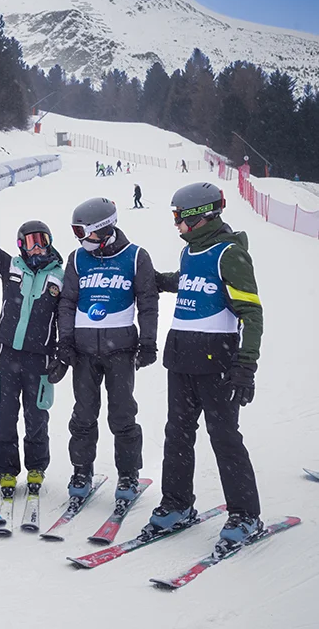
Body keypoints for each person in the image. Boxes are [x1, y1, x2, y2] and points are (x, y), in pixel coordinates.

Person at [146, 182, 264, 548]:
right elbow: (192, 282)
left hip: (217, 364)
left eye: (179, 217)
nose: (176, 223)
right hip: (181, 359)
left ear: (200, 217)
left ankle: (245, 515)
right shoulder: (190, 251)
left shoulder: (230, 254)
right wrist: (162, 281)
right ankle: (177, 504)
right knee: (177, 435)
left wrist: (246, 366)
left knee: (225, 438)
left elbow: (251, 314)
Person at [49, 198, 159, 503]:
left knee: (122, 415)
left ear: (104, 229)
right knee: (83, 415)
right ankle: (82, 470)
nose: (81, 240)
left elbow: (148, 302)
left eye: (85, 234)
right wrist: (65, 343)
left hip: (121, 351)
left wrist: (148, 342)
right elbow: (67, 303)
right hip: (84, 353)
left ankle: (128, 475)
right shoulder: (76, 259)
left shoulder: (135, 257)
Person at [0, 175, 64, 498]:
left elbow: (67, 320)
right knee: (4, 415)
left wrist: (63, 355)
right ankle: (7, 471)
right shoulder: (11, 267)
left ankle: (36, 467)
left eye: (41, 240)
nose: (36, 246)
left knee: (36, 416)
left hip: (40, 356)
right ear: (20, 245)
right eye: (29, 241)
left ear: (50, 242)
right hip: (7, 353)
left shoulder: (61, 276)